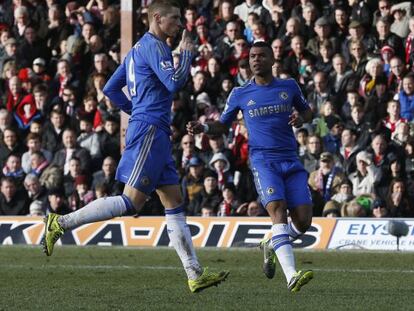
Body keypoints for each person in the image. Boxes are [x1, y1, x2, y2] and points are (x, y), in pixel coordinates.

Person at [41, 0, 228, 293]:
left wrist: (137, 108)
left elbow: (111, 89)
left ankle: (194, 273)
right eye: (175, 19)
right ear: (157, 18)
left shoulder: (138, 49)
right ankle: (60, 222)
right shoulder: (155, 46)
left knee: (174, 203)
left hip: (155, 130)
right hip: (150, 130)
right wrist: (188, 55)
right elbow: (174, 82)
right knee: (131, 202)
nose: (180, 25)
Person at [187, 41, 313, 292]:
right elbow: (223, 125)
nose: (256, 60)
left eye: (261, 56)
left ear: (272, 60)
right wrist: (204, 127)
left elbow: (308, 112)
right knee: (278, 209)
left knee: (304, 222)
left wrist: (301, 118)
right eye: (252, 56)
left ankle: (270, 242)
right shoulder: (240, 93)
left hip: (290, 158)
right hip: (263, 161)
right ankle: (291, 276)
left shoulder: (288, 87)